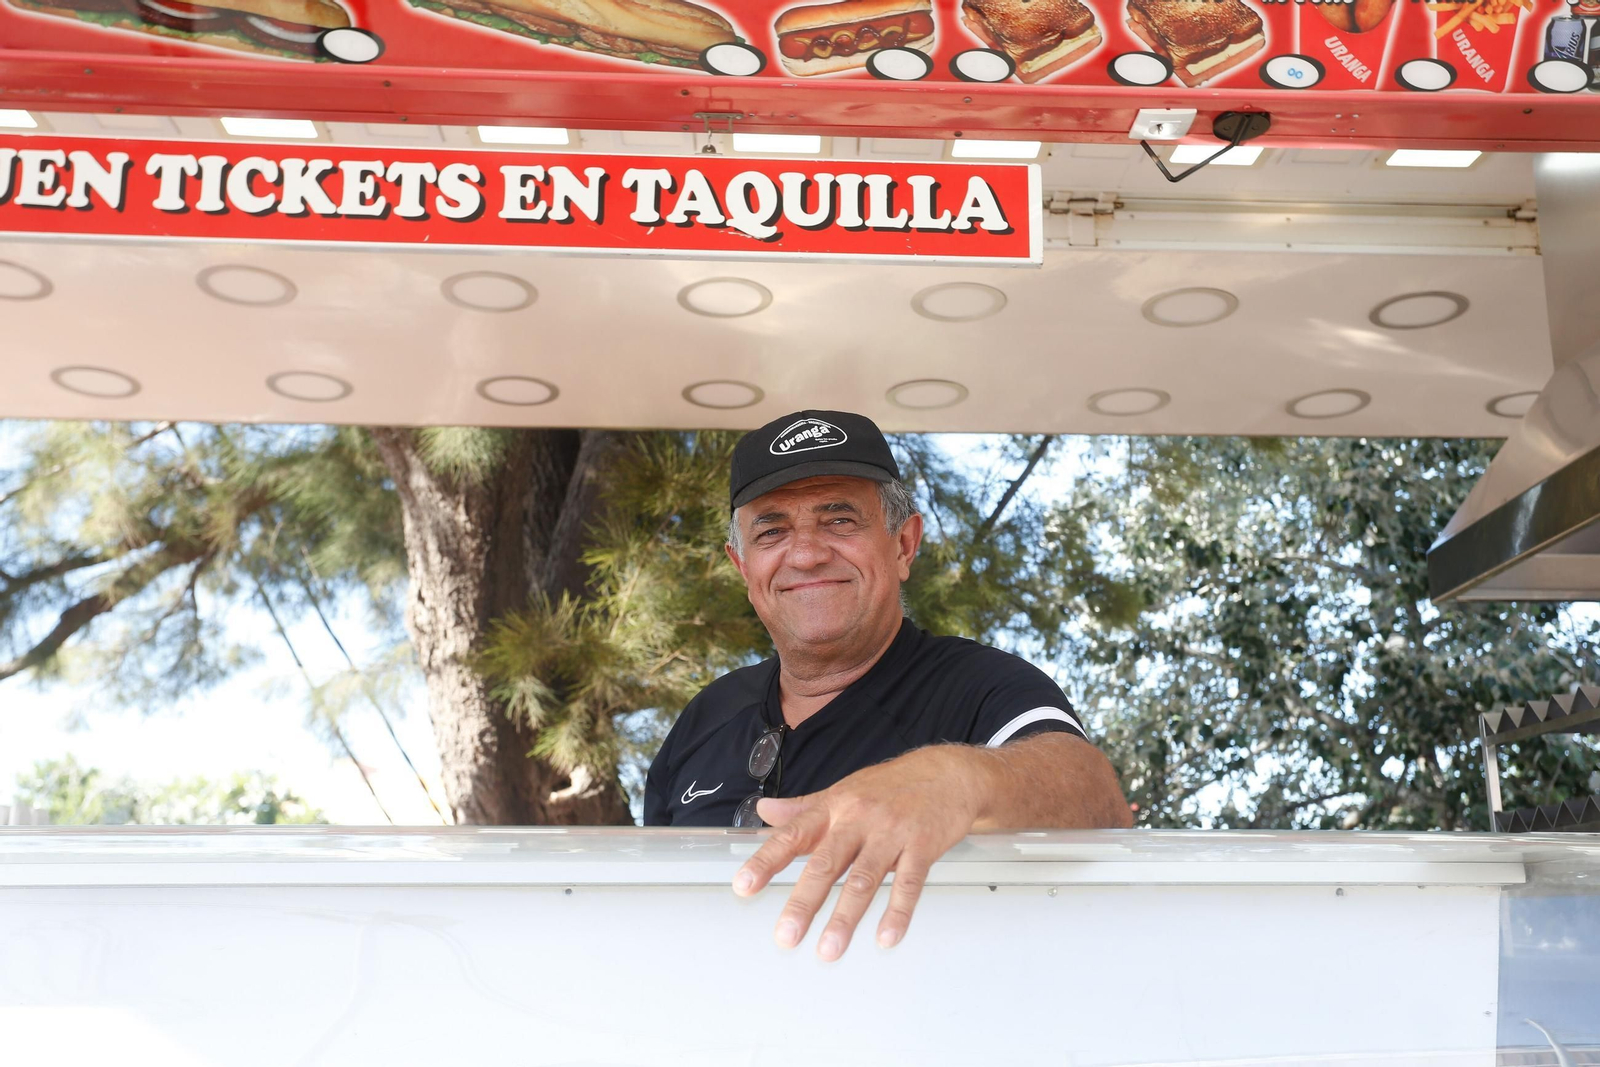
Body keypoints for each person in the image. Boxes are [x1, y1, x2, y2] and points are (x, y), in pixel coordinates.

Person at [644, 410, 1131, 960]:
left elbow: (1095, 797)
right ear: (743, 567)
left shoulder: (980, 686)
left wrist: (956, 777)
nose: (806, 553)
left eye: (839, 520)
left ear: (903, 545)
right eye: (772, 530)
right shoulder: (705, 718)